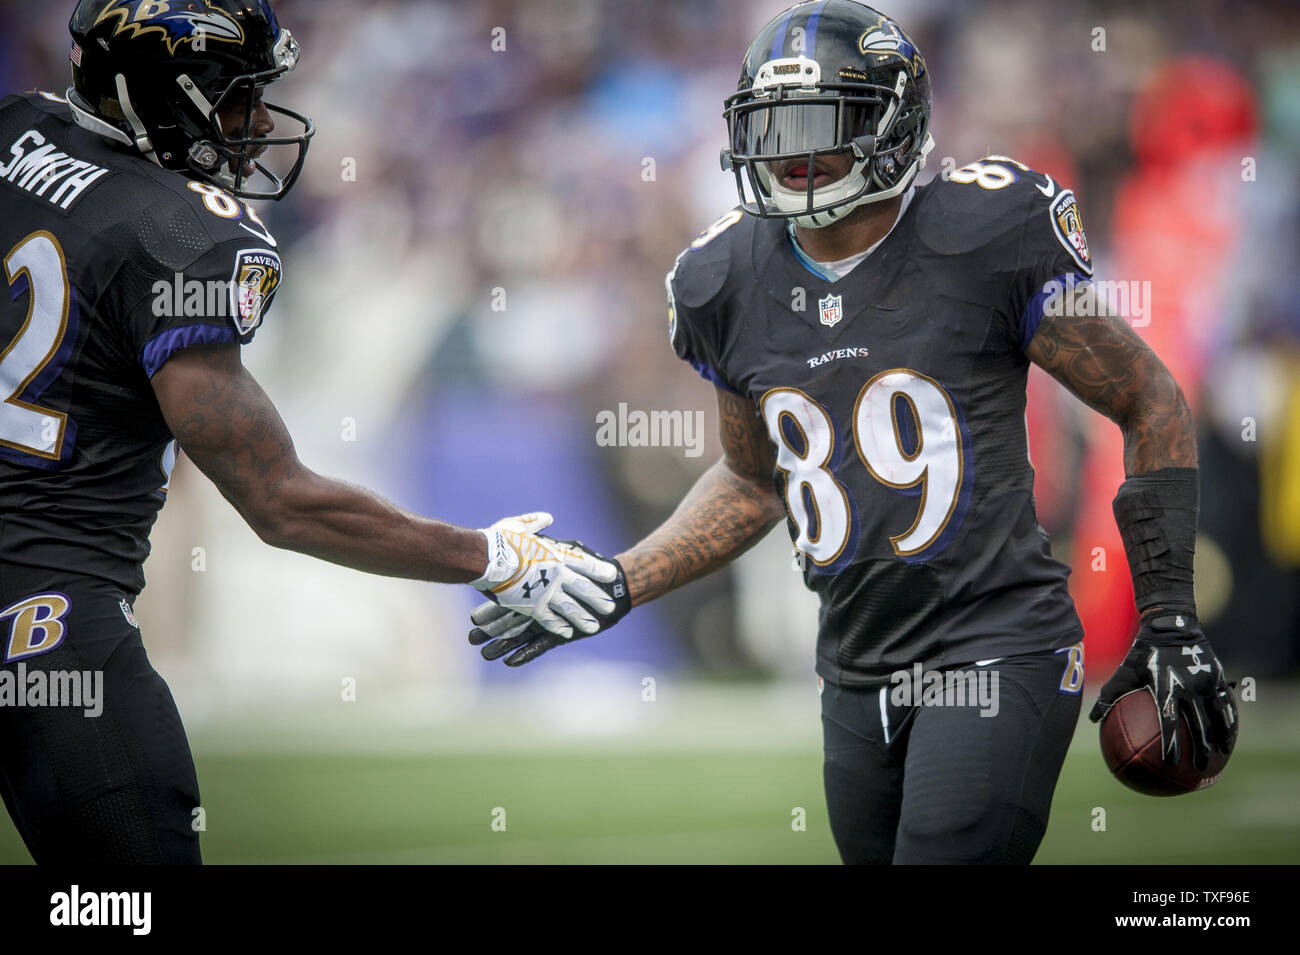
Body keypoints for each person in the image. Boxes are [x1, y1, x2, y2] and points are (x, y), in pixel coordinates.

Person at [467, 0, 1239, 864]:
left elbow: (1149, 399)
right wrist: (622, 579)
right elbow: (754, 476)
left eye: (818, 124)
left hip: (995, 642)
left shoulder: (984, 231)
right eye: (773, 126)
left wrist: (1170, 618)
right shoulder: (722, 278)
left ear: (892, 125)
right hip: (854, 665)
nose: (791, 155)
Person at [0, 0, 616, 864]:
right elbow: (279, 501)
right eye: (234, 96)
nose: (254, 121)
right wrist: (493, 558)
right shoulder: (182, 232)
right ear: (155, 92)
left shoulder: (18, 130)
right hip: (48, 622)